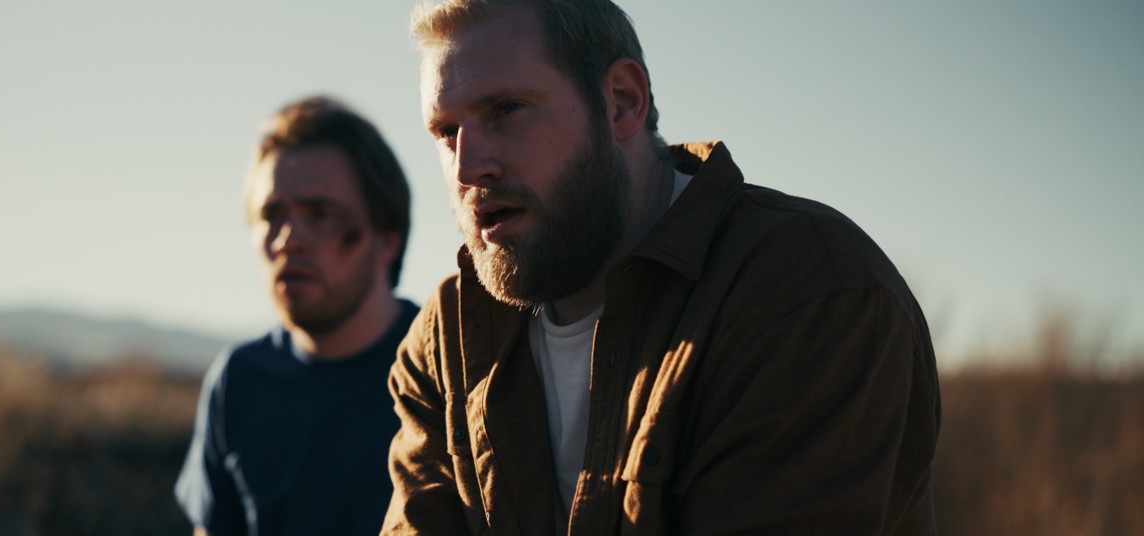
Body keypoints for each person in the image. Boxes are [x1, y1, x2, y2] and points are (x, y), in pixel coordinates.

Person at [384, 1, 941, 534]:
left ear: (623, 101)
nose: (469, 165)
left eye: (505, 110)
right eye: (445, 131)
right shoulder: (449, 334)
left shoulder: (806, 286)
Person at [175, 96, 418, 536]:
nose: (288, 239)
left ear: (386, 239)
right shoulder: (238, 381)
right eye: (271, 215)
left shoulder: (450, 373)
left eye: (320, 214)